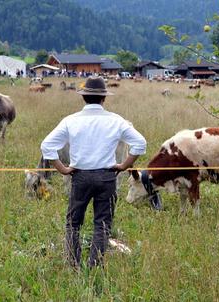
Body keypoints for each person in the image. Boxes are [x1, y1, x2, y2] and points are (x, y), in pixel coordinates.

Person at [40, 76, 146, 269]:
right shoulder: (116, 121)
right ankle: (94, 266)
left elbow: (47, 146)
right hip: (107, 177)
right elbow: (140, 143)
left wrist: (62, 169)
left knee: (73, 223)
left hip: (79, 177)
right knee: (102, 225)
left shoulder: (70, 121)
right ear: (104, 98)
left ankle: (74, 265)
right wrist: (124, 165)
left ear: (83, 98)